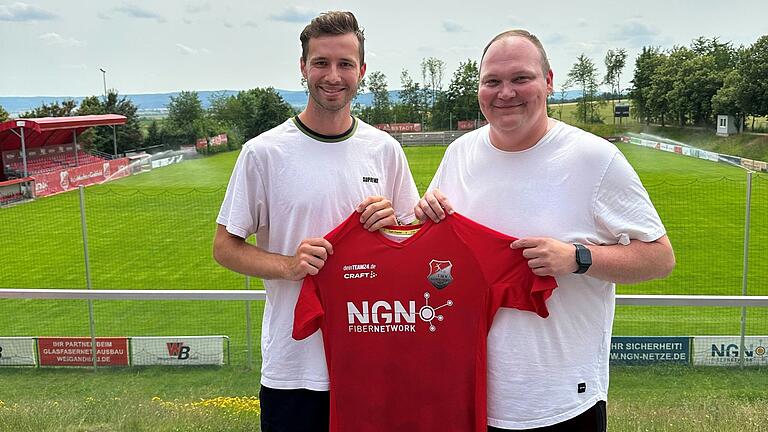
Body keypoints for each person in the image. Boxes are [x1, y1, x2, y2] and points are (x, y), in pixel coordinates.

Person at [416, 30, 675, 432]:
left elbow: (660, 258)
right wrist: (424, 215)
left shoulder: (594, 158)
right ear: (479, 87)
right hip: (469, 395)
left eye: (521, 78)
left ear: (549, 81)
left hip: (562, 401)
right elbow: (436, 257)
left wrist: (577, 258)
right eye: (492, 81)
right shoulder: (460, 154)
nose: (505, 93)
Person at [213, 11, 419, 432]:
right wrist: (289, 265)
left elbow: (412, 245)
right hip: (294, 367)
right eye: (321, 62)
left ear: (361, 71)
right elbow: (225, 247)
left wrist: (394, 226)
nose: (333, 75)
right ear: (303, 67)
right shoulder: (264, 153)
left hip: (371, 356)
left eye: (345, 64)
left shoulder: (384, 150)